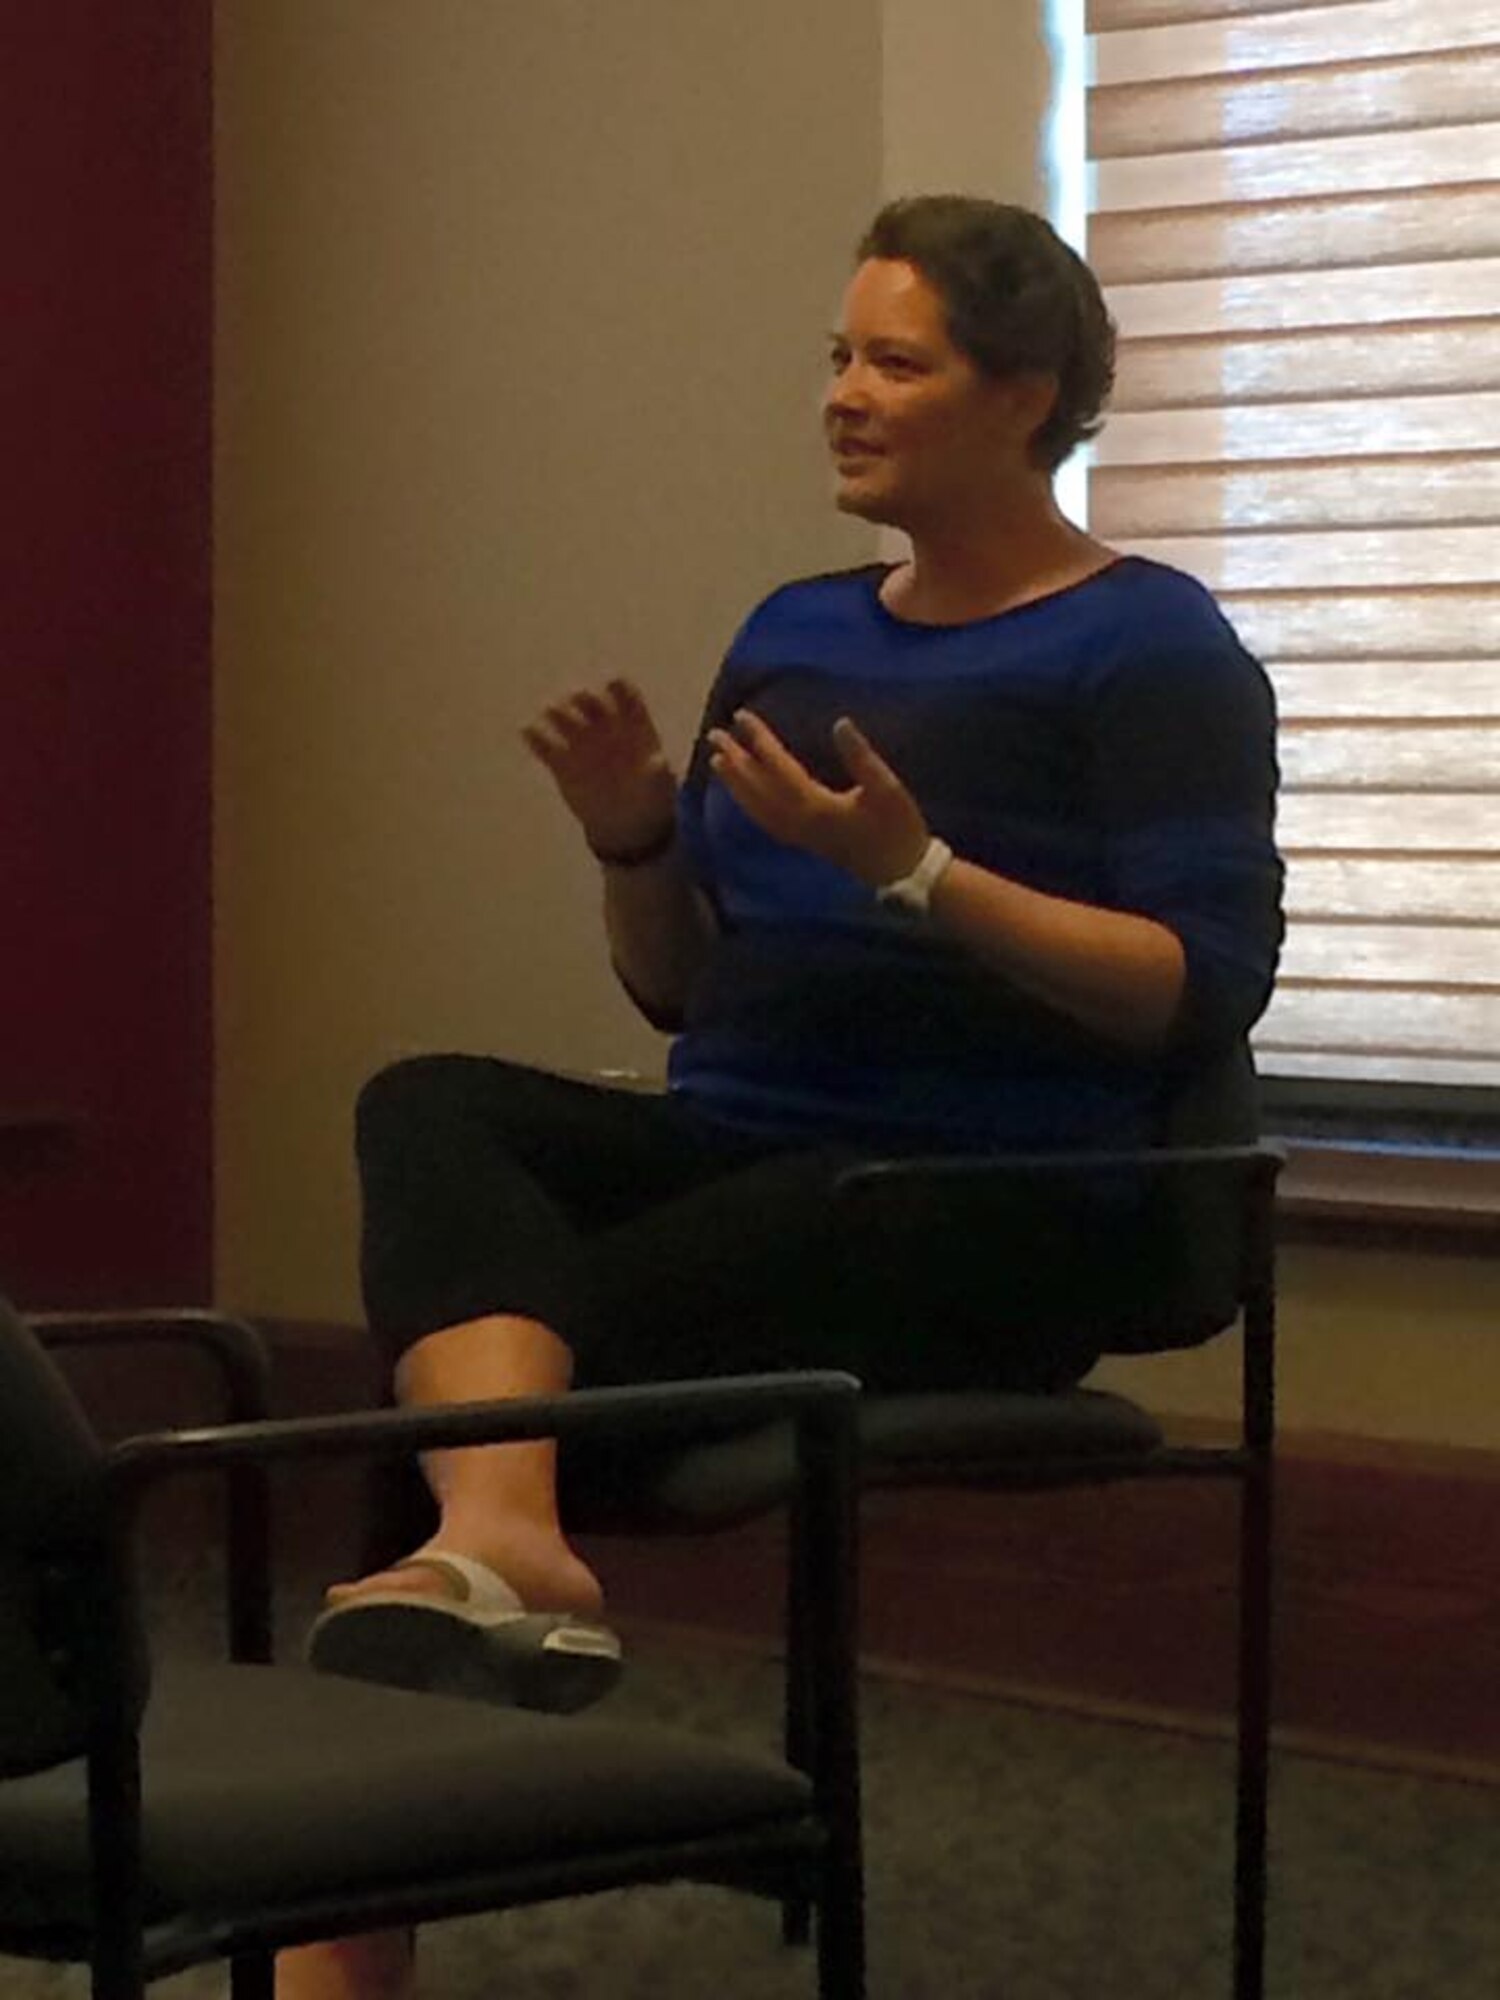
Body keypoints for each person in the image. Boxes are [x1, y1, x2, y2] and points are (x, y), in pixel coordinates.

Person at [278, 194, 1282, 2000]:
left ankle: (365, 1877)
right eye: (838, 356)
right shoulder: (800, 625)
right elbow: (679, 989)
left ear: (1027, 393)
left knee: (458, 1374)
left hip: (992, 1202)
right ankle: (504, 1536)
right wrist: (634, 838)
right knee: (431, 1105)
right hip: (757, 1144)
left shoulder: (1152, 648)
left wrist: (925, 876)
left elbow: (1193, 993)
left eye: (895, 361)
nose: (842, 394)